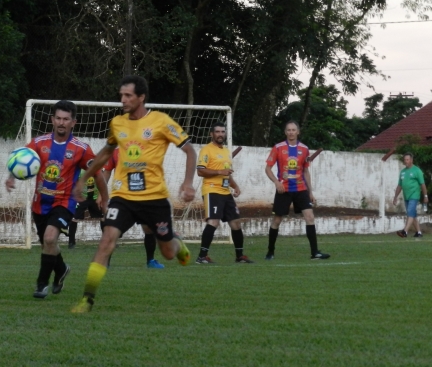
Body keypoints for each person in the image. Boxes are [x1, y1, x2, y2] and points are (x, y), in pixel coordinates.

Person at [71, 75, 196, 313]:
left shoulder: (160, 121)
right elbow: (106, 154)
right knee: (106, 241)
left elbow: (189, 150)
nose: (123, 100)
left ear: (141, 97)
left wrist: (188, 183)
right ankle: (87, 299)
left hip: (155, 198)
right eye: (121, 95)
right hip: (124, 197)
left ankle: (178, 244)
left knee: (168, 253)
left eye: (128, 95)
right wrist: (84, 178)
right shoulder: (118, 123)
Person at [5, 100, 108, 299]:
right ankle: (61, 270)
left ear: (73, 122)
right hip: (40, 203)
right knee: (47, 245)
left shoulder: (81, 148)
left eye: (66, 119)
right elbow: (19, 159)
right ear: (52, 120)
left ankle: (41, 285)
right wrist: (11, 177)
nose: (61, 122)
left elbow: (97, 172)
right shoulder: (38, 143)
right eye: (58, 118)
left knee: (50, 238)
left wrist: (105, 197)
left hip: (65, 203)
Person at [264, 120, 330, 260]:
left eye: (293, 130)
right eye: (288, 130)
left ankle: (315, 252)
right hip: (284, 190)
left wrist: (310, 192)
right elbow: (267, 168)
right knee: (277, 220)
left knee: (310, 217)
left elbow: (306, 171)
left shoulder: (304, 149)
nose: (291, 132)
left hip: (301, 189)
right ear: (285, 132)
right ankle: (270, 251)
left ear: (298, 132)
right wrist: (276, 182)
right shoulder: (278, 148)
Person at [196, 122, 253, 264]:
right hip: (212, 190)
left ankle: (239, 256)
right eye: (217, 132)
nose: (220, 134)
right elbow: (200, 170)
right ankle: (202, 256)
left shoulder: (226, 152)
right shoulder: (206, 150)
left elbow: (227, 174)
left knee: (236, 223)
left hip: (225, 192)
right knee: (213, 222)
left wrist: (235, 186)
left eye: (222, 132)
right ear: (212, 134)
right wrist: (220, 172)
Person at [102, 147, 165, 269]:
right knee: (113, 229)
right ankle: (105, 262)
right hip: (122, 197)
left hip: (143, 196)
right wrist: (101, 193)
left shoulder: (146, 149)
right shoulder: (115, 151)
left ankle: (150, 261)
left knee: (148, 228)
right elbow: (107, 171)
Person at [393, 152, 428, 238]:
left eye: (407, 159)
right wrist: (395, 196)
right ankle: (419, 232)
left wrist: (425, 196)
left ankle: (405, 231)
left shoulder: (417, 171)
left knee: (410, 212)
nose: (406, 161)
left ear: (411, 160)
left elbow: (422, 184)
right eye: (405, 160)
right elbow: (399, 185)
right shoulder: (403, 172)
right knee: (413, 214)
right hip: (406, 196)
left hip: (414, 195)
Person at [68, 170, 103, 249]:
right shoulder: (79, 170)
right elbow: (75, 183)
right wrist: (78, 195)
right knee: (74, 218)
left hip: (94, 198)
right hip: (82, 198)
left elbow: (103, 183)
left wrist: (100, 196)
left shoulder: (98, 169)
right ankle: (71, 243)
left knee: (103, 217)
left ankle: (107, 241)